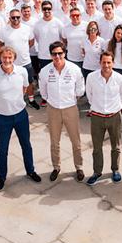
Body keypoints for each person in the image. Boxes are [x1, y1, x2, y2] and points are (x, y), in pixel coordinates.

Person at [0, 46, 41, 191]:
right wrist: (3, 104)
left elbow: (25, 88)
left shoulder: (22, 72)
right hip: (3, 117)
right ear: (0, 59)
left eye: (10, 57)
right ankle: (2, 177)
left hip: (20, 115)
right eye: (4, 57)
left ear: (14, 59)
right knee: (2, 149)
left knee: (26, 145)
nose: (7, 60)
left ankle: (30, 171)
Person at [39, 41, 86, 183]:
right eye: (54, 54)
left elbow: (80, 89)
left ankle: (79, 166)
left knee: (76, 141)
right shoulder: (45, 71)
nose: (57, 56)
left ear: (64, 53)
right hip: (53, 109)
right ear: (51, 55)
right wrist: (50, 100)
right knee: (54, 141)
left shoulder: (74, 69)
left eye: (60, 53)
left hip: (70, 108)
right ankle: (56, 167)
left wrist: (72, 99)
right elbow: (43, 91)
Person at [85, 51, 122, 185]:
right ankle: (97, 172)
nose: (106, 65)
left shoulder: (121, 79)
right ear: (100, 63)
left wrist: (114, 108)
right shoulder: (91, 77)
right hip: (97, 117)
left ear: (113, 63)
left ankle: (115, 170)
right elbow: (89, 95)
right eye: (104, 62)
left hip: (114, 117)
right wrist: (98, 108)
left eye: (109, 62)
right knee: (97, 147)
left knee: (115, 146)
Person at [0, 8, 38, 109]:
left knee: (29, 82)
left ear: (20, 17)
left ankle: (31, 99)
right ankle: (13, 101)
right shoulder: (4, 30)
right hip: (10, 63)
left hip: (25, 61)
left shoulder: (27, 28)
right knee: (11, 83)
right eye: (13, 17)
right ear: (9, 18)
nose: (15, 19)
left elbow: (31, 42)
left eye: (17, 17)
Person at [61, 8, 87, 72]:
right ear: (70, 17)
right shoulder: (65, 27)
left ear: (80, 16)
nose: (75, 17)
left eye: (77, 15)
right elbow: (64, 41)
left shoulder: (87, 25)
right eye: (73, 15)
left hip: (85, 59)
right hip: (71, 58)